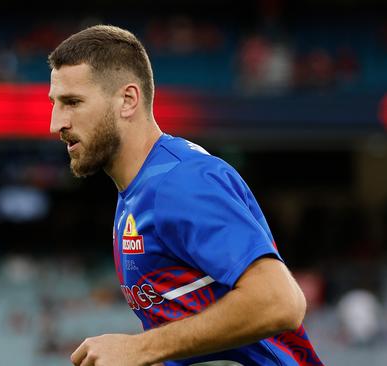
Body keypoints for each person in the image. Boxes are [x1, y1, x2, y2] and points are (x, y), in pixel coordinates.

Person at [48, 25, 323, 366]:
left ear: (128, 100)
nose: (55, 122)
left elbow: (281, 303)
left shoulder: (181, 183)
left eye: (72, 102)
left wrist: (140, 348)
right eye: (55, 104)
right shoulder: (134, 195)